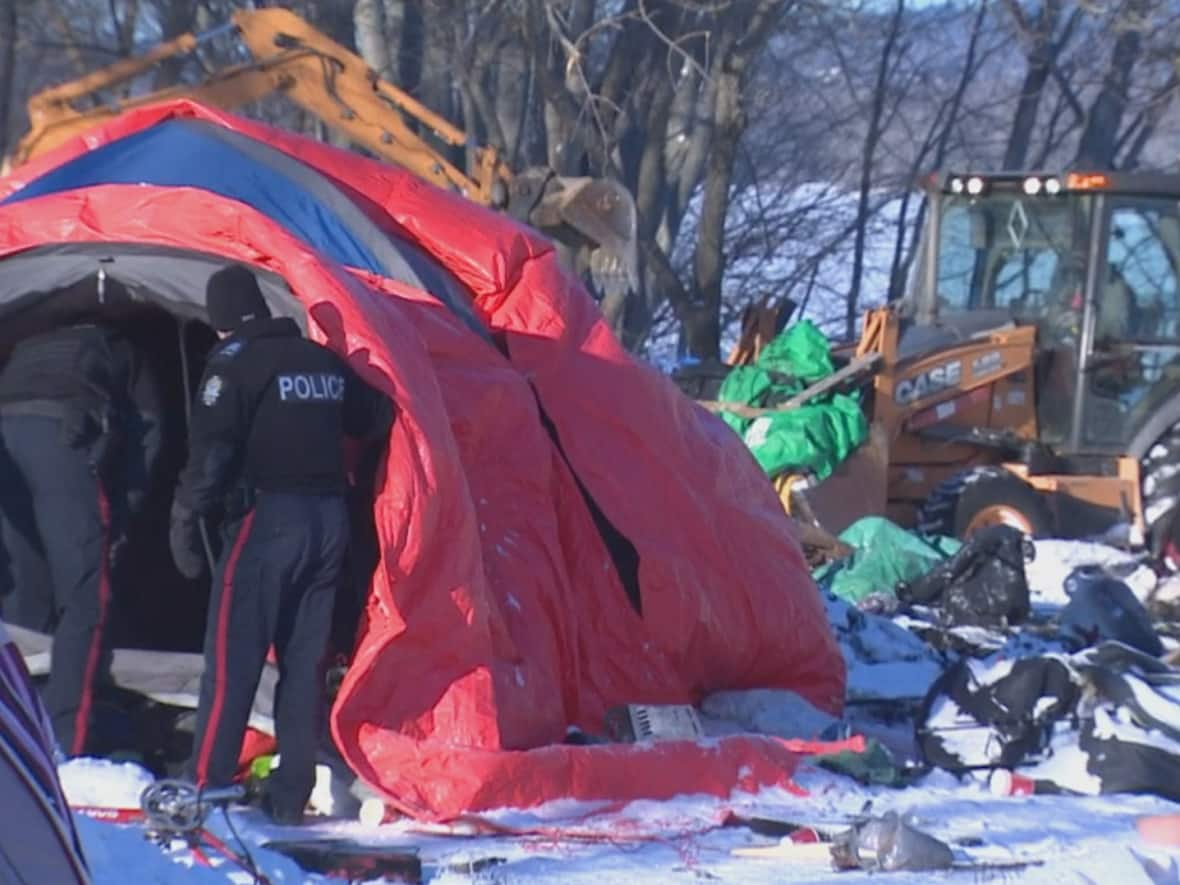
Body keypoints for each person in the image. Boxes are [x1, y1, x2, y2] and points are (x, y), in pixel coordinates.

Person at [170, 264, 391, 824]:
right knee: (303, 664)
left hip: (267, 521)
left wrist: (186, 518)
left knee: (232, 656)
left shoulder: (234, 367)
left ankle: (206, 784)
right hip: (328, 523)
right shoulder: (322, 363)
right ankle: (291, 794)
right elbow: (377, 416)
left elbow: (211, 453)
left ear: (222, 319)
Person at [0, 320, 162, 756]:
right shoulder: (125, 349)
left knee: (21, 603)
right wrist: (124, 515)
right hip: (62, 439)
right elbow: (151, 438)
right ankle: (63, 741)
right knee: (87, 595)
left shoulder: (30, 342)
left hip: (5, 439)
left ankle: (14, 733)